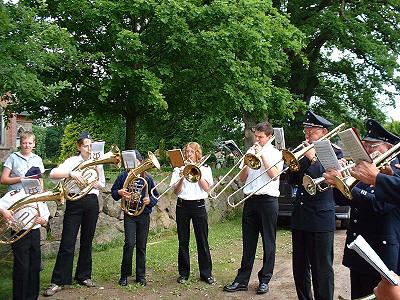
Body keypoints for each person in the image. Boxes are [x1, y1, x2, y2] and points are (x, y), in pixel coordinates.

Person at [323, 118, 400, 299]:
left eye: (373, 146)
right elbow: (348, 200)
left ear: (388, 148)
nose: (368, 150)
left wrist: (356, 185)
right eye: (366, 145)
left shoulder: (394, 171)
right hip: (359, 249)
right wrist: (338, 183)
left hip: (381, 253)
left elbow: (378, 205)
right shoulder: (369, 170)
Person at [287, 111, 343, 300]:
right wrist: (293, 162)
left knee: (322, 270)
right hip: (300, 217)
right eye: (306, 131)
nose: (307, 135)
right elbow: (292, 180)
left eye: (312, 132)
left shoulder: (336, 153)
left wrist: (313, 158)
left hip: (320, 218)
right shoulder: (303, 152)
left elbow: (328, 181)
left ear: (324, 132)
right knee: (299, 268)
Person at [223, 121, 283, 294]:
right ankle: (242, 281)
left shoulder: (276, 153)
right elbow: (242, 179)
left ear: (269, 137)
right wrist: (247, 163)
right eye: (256, 136)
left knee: (268, 243)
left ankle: (265, 280)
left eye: (261, 137)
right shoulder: (250, 151)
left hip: (268, 202)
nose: (257, 140)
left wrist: (262, 155)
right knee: (248, 243)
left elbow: (274, 176)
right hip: (250, 200)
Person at [44, 131, 105, 297]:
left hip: (91, 202)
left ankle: (83, 276)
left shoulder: (97, 162)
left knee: (87, 240)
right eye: (86, 145)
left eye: (90, 145)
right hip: (75, 202)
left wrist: (94, 183)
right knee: (67, 241)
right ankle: (58, 281)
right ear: (79, 147)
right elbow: (52, 175)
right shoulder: (72, 161)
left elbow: (102, 183)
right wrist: (72, 174)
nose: (89, 148)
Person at [0, 168, 50, 300]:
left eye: (38, 180)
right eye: (33, 180)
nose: (37, 183)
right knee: (22, 268)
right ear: (26, 181)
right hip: (19, 233)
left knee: (35, 267)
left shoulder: (40, 196)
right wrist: (3, 211)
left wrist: (43, 220)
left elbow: (45, 216)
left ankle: (32, 297)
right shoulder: (14, 194)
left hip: (34, 232)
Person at [111, 150, 158, 287]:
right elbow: (114, 193)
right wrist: (120, 192)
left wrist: (150, 200)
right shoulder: (123, 176)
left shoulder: (147, 177)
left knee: (141, 246)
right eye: (130, 161)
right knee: (130, 243)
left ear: (140, 162)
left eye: (136, 161)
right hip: (130, 215)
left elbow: (155, 195)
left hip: (143, 214)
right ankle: (124, 275)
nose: (133, 164)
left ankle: (140, 276)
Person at [170, 142, 215, 284]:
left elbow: (207, 188)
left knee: (202, 241)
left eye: (191, 151)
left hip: (198, 205)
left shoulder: (205, 168)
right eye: (187, 151)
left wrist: (197, 171)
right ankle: (184, 273)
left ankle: (206, 273)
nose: (188, 154)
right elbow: (176, 192)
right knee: (183, 241)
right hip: (182, 205)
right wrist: (183, 174)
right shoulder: (178, 169)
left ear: (197, 153)